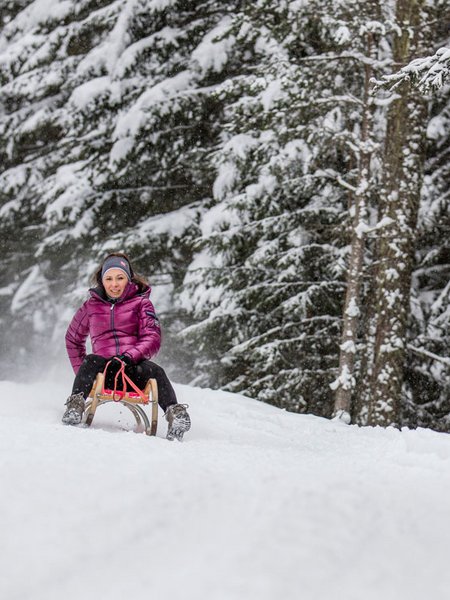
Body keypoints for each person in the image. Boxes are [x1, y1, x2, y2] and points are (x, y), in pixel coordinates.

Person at [62, 252, 191, 441]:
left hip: (132, 369)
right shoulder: (91, 306)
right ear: (102, 281)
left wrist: (130, 356)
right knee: (90, 361)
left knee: (156, 371)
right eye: (109, 279)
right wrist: (84, 375)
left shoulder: (141, 303)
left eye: (120, 278)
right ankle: (75, 405)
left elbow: (152, 336)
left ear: (128, 280)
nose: (114, 284)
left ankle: (176, 414)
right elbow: (72, 339)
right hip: (104, 371)